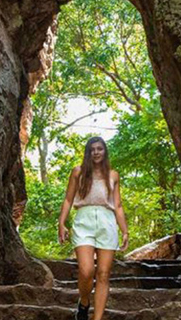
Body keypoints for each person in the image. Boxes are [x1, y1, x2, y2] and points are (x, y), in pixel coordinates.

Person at [58, 136, 129, 320]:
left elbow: (118, 205)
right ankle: (84, 302)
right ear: (88, 153)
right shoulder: (78, 172)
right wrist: (61, 223)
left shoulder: (113, 175)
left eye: (99, 149)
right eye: (92, 149)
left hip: (107, 222)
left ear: (105, 152)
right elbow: (68, 199)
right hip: (84, 221)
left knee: (104, 274)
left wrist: (125, 230)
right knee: (86, 270)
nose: (96, 152)